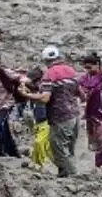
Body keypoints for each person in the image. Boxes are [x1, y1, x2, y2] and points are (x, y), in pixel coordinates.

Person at [30, 47, 84, 179]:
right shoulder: (71, 71)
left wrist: (27, 95)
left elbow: (45, 98)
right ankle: (64, 174)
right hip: (75, 115)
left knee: (58, 148)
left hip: (60, 117)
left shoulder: (49, 74)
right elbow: (81, 94)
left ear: (45, 60)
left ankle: (73, 176)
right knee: (69, 149)